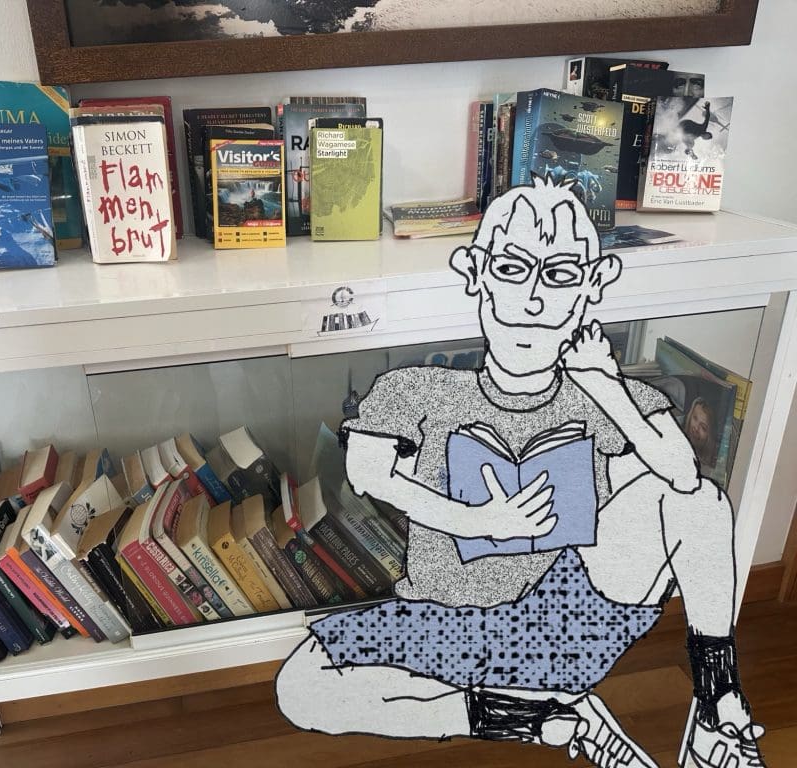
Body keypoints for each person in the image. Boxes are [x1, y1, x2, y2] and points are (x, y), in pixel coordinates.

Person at [275, 175, 765, 768]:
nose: (533, 299)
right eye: (512, 269)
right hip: (441, 620)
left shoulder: (609, 396)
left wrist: (606, 385)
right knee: (301, 685)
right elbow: (367, 471)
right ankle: (534, 718)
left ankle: (718, 707)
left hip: (564, 617)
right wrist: (478, 520)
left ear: (593, 284)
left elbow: (684, 478)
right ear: (475, 272)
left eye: (559, 275)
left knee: (701, 502)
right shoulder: (419, 388)